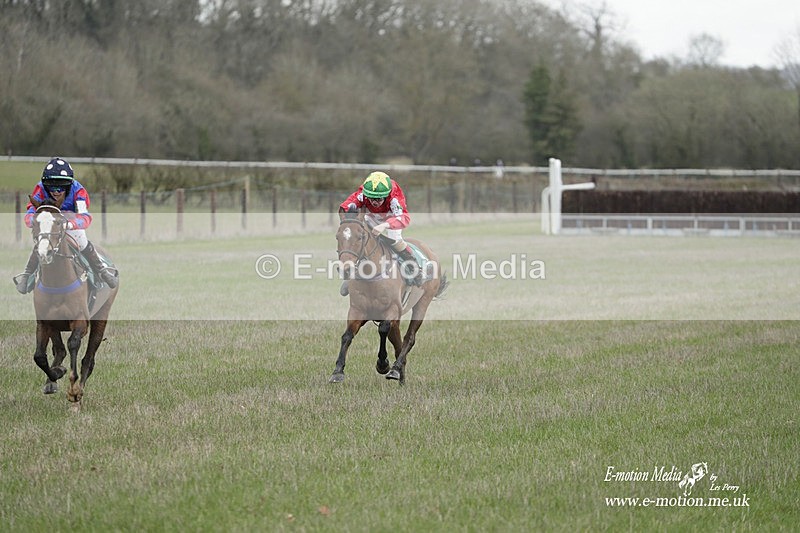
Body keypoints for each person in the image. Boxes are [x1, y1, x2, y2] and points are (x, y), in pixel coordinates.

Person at [14, 157, 118, 294]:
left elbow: (85, 217)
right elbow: (31, 210)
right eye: (52, 186)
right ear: (45, 184)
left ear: (69, 184)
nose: (56, 191)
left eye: (61, 187)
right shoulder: (39, 188)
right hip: (49, 222)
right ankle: (27, 276)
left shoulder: (78, 190)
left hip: (71, 222)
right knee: (42, 243)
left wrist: (70, 225)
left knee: (81, 241)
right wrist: (33, 221)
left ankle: (102, 270)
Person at [338, 171, 423, 295]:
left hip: (392, 217)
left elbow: (404, 218)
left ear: (386, 195)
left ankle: (414, 267)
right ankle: (351, 274)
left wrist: (385, 225)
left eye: (378, 199)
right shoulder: (362, 194)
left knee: (395, 239)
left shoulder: (394, 197)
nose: (374, 202)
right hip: (370, 216)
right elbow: (345, 207)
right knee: (361, 239)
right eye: (371, 198)